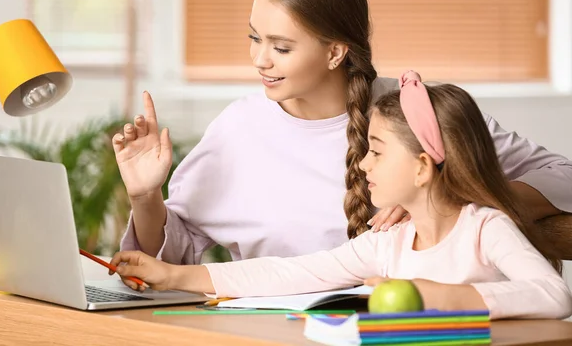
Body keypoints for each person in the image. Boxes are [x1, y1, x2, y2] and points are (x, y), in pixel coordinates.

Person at [113, 0, 572, 265]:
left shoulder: (419, 110)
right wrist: (143, 197)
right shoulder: (239, 127)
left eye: (281, 47)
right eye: (255, 38)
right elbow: (168, 259)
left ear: (335, 52)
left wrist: (451, 199)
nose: (259, 59)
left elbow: (561, 175)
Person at [110, 72, 572, 320]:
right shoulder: (386, 242)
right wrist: (174, 276)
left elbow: (553, 296)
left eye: (375, 152)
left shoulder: (486, 228)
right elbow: (288, 272)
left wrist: (437, 296)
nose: (362, 165)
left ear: (421, 166)